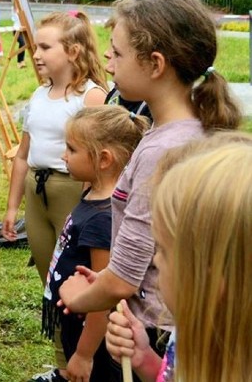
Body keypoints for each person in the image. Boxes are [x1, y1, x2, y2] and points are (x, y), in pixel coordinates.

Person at [57, 0, 242, 381]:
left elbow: (124, 277)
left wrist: (80, 297)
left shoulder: (162, 151)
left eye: (118, 54)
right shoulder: (190, 129)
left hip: (154, 331)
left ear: (155, 64)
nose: (109, 62)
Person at [1, 10, 108, 382]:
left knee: (77, 281)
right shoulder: (39, 93)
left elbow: (100, 164)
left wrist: (85, 208)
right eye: (35, 46)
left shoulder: (92, 96)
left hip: (72, 194)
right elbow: (23, 153)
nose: (36, 54)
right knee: (52, 283)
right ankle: (64, 363)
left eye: (45, 46)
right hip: (37, 191)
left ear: (74, 51)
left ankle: (86, 359)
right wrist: (13, 205)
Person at [105, 132, 252, 382]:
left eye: (161, 249)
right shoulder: (187, 333)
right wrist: (144, 358)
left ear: (212, 279)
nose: (157, 261)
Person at [41, 106, 149, 382]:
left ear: (103, 159)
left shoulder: (104, 218)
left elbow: (104, 298)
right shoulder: (91, 192)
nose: (64, 156)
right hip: (75, 321)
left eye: (72, 149)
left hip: (94, 337)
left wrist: (84, 354)